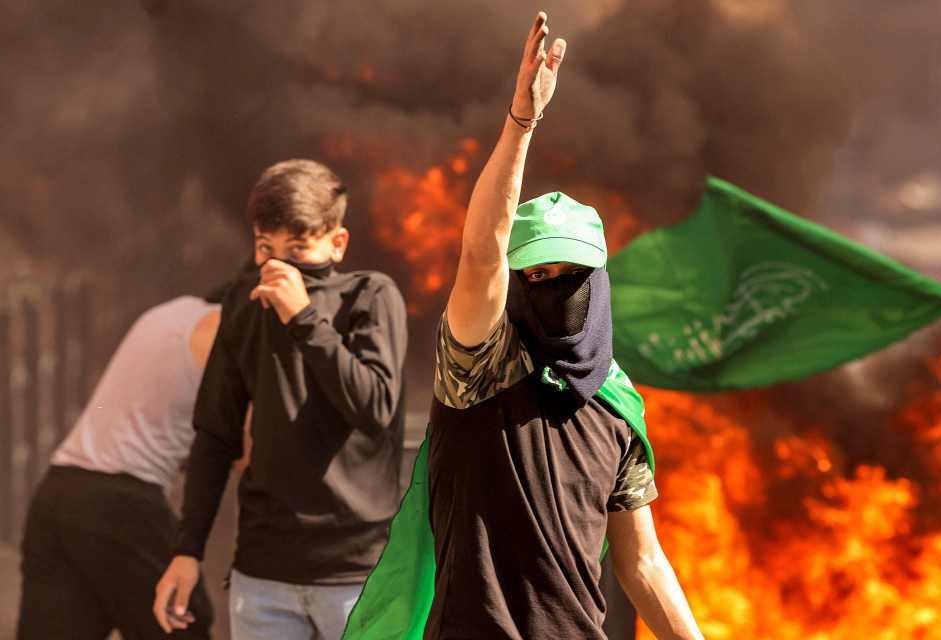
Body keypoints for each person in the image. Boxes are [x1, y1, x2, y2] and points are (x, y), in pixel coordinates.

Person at [427, 12, 703, 639]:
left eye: (569, 273)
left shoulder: (616, 400)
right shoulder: (480, 367)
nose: (551, 286)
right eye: (535, 274)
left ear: (598, 278)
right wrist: (522, 124)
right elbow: (480, 254)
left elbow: (641, 562)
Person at [153, 160, 408, 640]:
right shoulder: (243, 306)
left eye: (298, 248)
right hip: (263, 578)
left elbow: (375, 407)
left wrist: (305, 318)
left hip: (357, 576)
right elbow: (214, 435)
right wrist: (187, 551)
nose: (278, 266)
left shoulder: (371, 297)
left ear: (337, 242)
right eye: (265, 248)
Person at [17, 293, 221, 639]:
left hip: (60, 489)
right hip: (122, 500)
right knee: (185, 622)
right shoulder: (224, 330)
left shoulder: (171, 311)